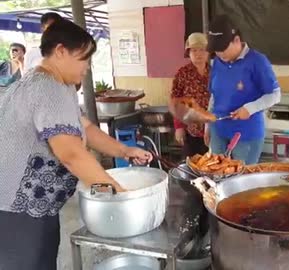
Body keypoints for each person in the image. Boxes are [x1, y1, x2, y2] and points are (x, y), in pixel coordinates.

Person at [0, 19, 152, 270]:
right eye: (84, 59)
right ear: (60, 51)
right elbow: (71, 154)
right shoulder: (48, 89)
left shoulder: (55, 84)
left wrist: (125, 150)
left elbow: (86, 128)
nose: (88, 67)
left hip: (32, 207)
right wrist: (121, 197)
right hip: (17, 212)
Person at [206, 15, 281, 165]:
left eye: (223, 49)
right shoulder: (218, 62)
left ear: (237, 40)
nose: (220, 54)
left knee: (241, 181)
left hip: (246, 134)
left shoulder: (257, 61)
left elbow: (275, 95)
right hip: (218, 130)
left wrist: (250, 108)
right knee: (216, 176)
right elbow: (215, 95)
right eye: (216, 50)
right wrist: (207, 125)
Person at [170, 33, 211, 157]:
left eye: (202, 50)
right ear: (189, 53)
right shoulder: (182, 74)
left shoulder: (215, 72)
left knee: (214, 167)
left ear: (208, 52)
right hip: (191, 131)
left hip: (214, 131)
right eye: (194, 50)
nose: (198, 54)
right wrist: (178, 127)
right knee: (192, 168)